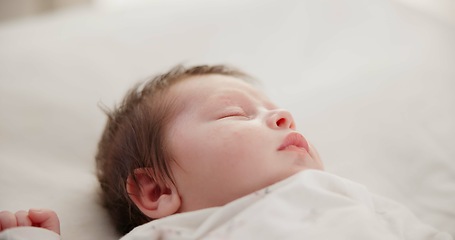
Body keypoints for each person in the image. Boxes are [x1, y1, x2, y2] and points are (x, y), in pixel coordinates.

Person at [0, 65, 451, 240]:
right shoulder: (171, 236)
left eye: (276, 112)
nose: (284, 118)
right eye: (235, 115)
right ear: (156, 189)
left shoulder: (350, 196)